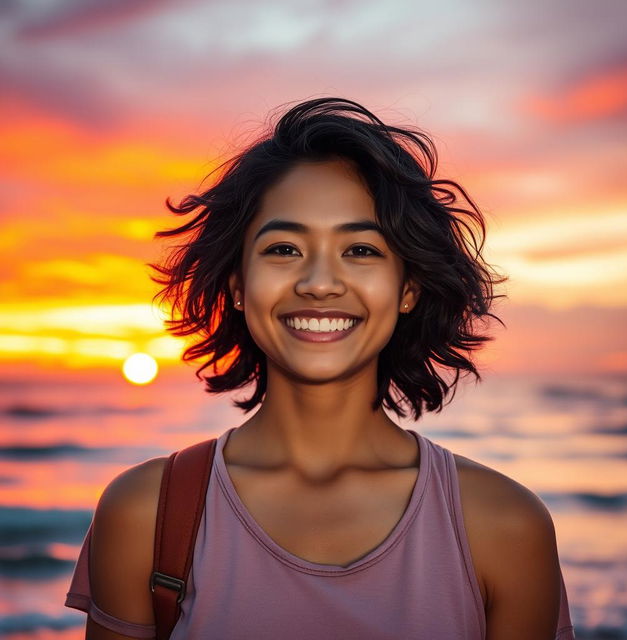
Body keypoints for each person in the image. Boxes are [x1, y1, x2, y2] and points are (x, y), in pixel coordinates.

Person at [65, 97, 575, 639]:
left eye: (360, 250)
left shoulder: (505, 525)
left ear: (408, 289)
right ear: (238, 286)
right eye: (284, 248)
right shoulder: (145, 514)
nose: (319, 282)